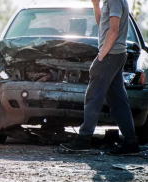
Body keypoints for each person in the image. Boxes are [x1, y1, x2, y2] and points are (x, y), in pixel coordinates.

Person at [60, 0, 140, 155]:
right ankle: (131, 142)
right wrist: (96, 6)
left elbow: (114, 30)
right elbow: (103, 26)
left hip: (111, 55)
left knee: (93, 96)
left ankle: (84, 138)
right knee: (118, 99)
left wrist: (101, 56)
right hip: (115, 54)